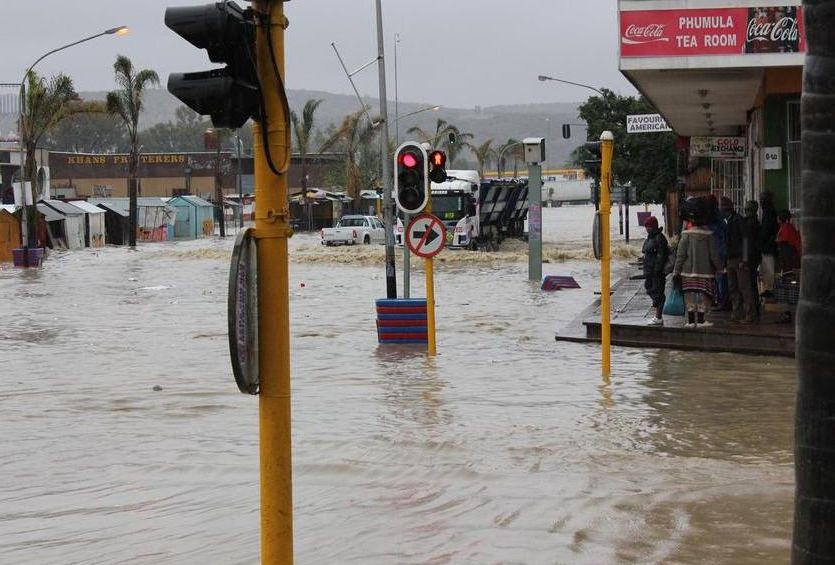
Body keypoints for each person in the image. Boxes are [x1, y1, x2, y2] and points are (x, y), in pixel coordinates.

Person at [673, 198, 721, 328]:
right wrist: (720, 268)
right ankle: (701, 321)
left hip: (687, 272)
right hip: (706, 272)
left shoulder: (686, 235)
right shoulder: (709, 235)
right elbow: (714, 255)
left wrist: (676, 271)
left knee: (689, 296)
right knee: (704, 295)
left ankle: (689, 321)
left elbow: (680, 255)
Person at [721, 197, 755, 324]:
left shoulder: (738, 221)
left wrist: (745, 259)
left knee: (744, 287)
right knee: (733, 287)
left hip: (739, 258)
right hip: (731, 258)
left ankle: (749, 313)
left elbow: (746, 240)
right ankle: (737, 312)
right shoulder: (729, 221)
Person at [641, 216, 669, 326]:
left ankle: (658, 317)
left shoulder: (659, 238)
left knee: (658, 292)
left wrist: (658, 269)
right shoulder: (650, 238)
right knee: (649, 289)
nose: (647, 228)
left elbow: (662, 255)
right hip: (649, 270)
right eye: (646, 226)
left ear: (653, 226)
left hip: (656, 272)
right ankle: (657, 315)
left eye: (648, 226)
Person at [743, 200, 762, 318]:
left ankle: (753, 311)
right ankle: (755, 309)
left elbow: (746, 243)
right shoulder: (756, 222)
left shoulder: (749, 224)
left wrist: (744, 259)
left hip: (750, 258)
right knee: (753, 284)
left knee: (749, 285)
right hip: (755, 256)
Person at [759, 191, 779, 296]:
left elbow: (767, 230)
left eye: (762, 199)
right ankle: (767, 289)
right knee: (767, 270)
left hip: (767, 246)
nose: (760, 201)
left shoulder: (768, 212)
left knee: (768, 270)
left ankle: (769, 290)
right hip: (768, 246)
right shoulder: (770, 211)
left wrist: (762, 242)